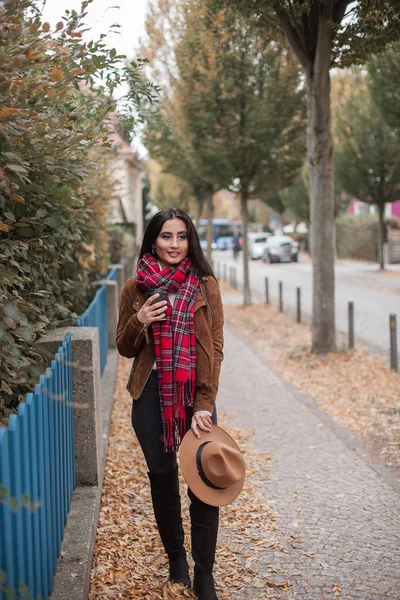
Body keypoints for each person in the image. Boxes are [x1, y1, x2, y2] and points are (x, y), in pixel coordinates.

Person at [116, 207, 224, 600]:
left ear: (189, 240)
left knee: (204, 482)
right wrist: (139, 318)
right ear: (153, 241)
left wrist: (204, 404)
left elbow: (214, 348)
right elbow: (124, 349)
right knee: (162, 480)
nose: (174, 244)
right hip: (150, 395)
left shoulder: (204, 284)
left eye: (181, 236)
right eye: (166, 236)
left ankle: (205, 574)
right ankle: (176, 560)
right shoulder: (135, 288)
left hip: (195, 398)